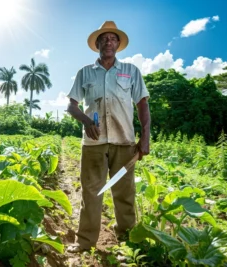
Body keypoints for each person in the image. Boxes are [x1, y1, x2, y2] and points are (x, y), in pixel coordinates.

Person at [66, 21, 151, 253]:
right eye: (104, 39)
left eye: (113, 39)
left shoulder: (131, 71)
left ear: (119, 44)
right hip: (93, 144)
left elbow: (142, 104)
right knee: (91, 192)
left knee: (124, 193)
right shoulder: (85, 73)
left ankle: (127, 242)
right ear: (97, 44)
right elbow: (71, 106)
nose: (108, 42)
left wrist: (145, 137)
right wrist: (85, 121)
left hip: (124, 143)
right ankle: (84, 242)